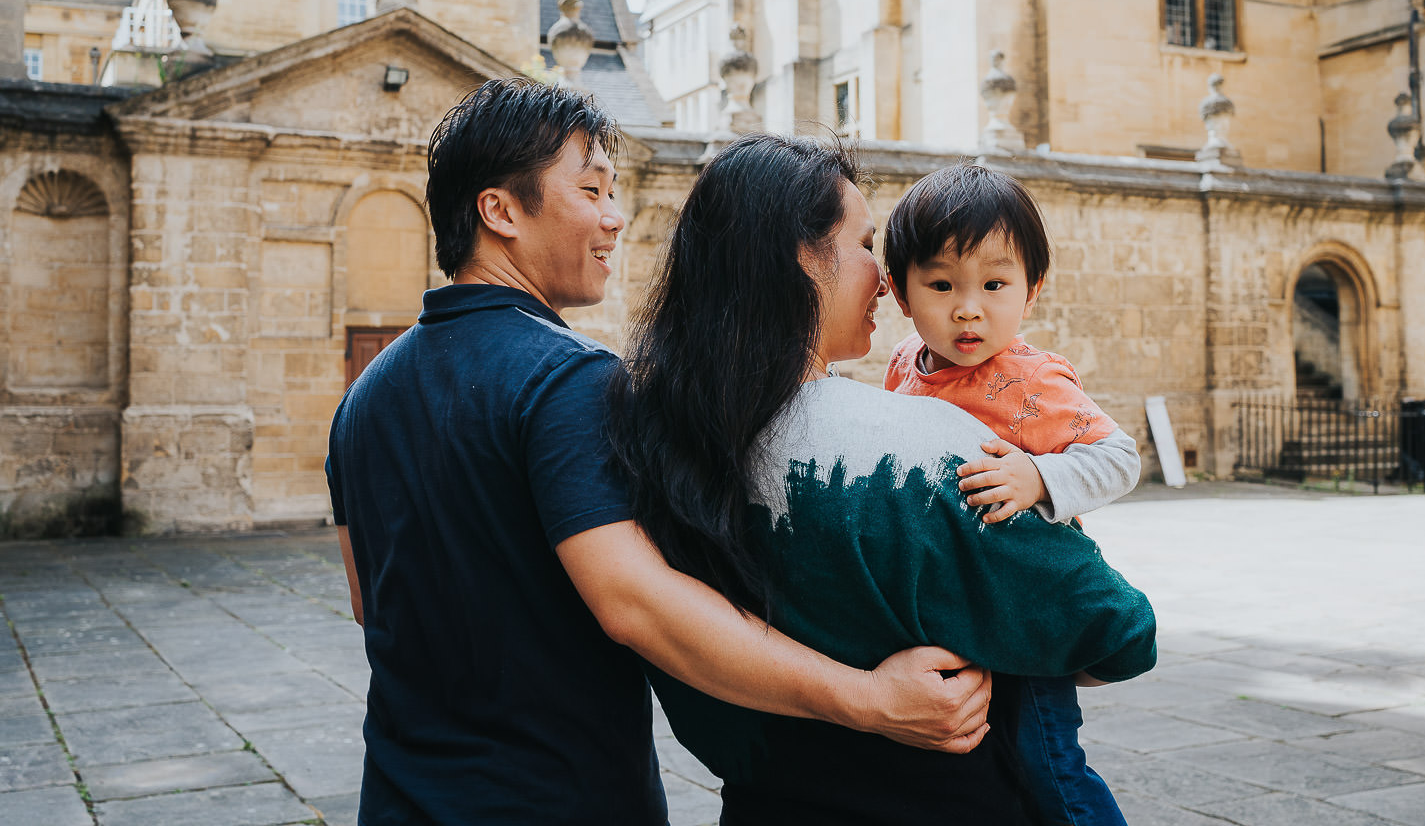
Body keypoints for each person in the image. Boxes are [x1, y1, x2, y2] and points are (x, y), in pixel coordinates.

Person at [326, 80, 996, 825]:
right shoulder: (565, 378)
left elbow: (368, 603)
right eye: (590, 190)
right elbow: (636, 603)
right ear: (500, 211)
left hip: (399, 797)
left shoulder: (362, 399)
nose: (615, 219)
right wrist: (868, 699)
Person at [608, 133, 1157, 825]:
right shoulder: (922, 456)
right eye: (868, 245)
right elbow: (1119, 632)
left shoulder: (656, 436)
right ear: (799, 259)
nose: (884, 274)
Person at [882, 163, 1140, 825]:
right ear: (902, 294)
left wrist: (1040, 478)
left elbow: (1117, 457)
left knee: (1047, 763)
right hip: (956, 612)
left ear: (1031, 292)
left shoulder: (1028, 379)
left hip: (1027, 611)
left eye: (995, 284)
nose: (968, 307)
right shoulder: (903, 364)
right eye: (941, 284)